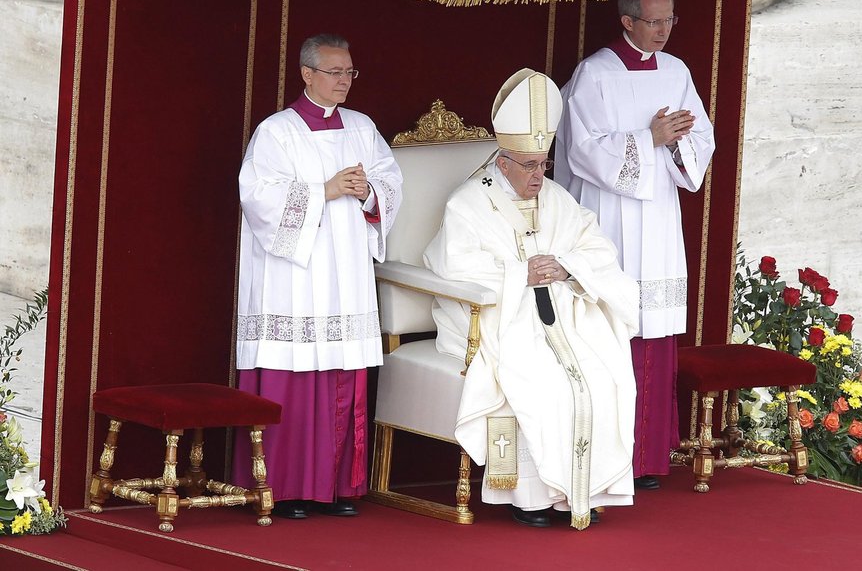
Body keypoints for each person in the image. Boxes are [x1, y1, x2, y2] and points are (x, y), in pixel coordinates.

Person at [424, 69, 638, 530]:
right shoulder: (468, 204)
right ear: (502, 163)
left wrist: (567, 268)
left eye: (544, 164)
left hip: (561, 315)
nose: (539, 175)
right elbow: (454, 268)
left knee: (603, 374)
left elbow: (598, 250)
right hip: (499, 318)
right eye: (528, 166)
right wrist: (519, 274)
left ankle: (581, 491)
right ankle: (530, 497)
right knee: (540, 379)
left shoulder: (558, 198)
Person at [554, 0, 716, 490]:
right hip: (611, 217)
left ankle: (648, 454)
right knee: (614, 328)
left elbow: (701, 139)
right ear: (627, 21)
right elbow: (582, 150)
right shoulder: (594, 75)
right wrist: (648, 137)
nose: (665, 30)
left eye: (670, 19)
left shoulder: (677, 71)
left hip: (660, 217)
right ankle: (608, 456)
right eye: (654, 20)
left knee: (655, 331)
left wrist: (673, 146)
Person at [233, 33, 402, 519]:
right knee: (296, 375)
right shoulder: (277, 132)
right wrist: (323, 190)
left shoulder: (362, 128)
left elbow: (391, 184)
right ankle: (284, 488)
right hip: (295, 277)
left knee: (342, 369)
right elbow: (258, 198)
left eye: (349, 72)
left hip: (345, 271)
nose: (344, 81)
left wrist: (369, 191)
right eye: (334, 72)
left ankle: (335, 488)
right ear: (307, 74)